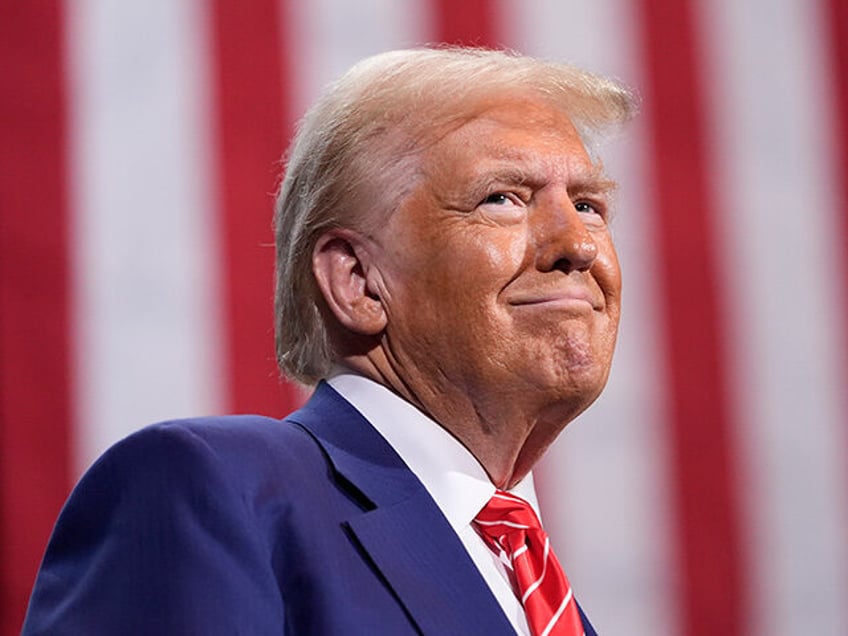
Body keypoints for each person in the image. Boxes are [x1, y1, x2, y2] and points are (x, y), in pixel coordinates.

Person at [23, 47, 636, 635]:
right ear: (358, 281)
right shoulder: (211, 491)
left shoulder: (542, 595)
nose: (577, 245)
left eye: (588, 205)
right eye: (501, 199)